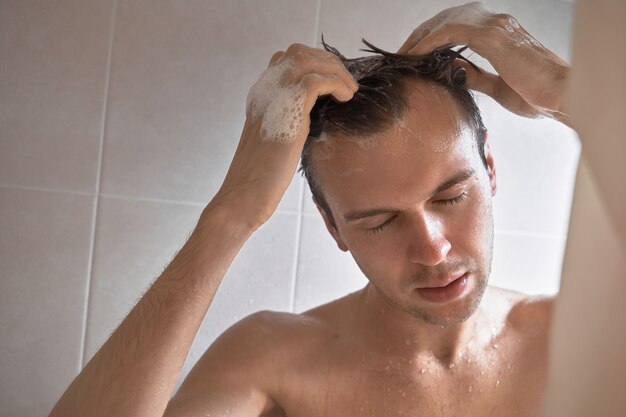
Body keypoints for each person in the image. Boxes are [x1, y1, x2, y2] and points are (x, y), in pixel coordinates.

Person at [48, 3, 574, 417]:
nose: (433, 248)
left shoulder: (575, 338)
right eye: (381, 221)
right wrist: (232, 212)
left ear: (490, 170)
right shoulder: (275, 364)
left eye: (450, 197)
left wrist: (570, 94)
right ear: (333, 227)